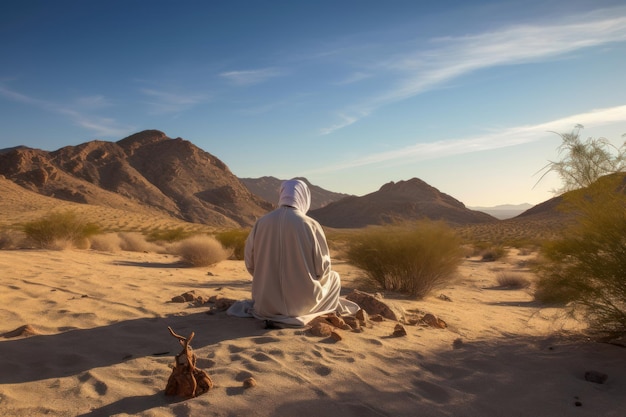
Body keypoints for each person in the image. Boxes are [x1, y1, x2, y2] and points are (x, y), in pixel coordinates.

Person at [228, 179, 358, 326]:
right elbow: (323, 269)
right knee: (334, 277)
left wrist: (266, 279)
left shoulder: (261, 222)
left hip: (265, 305)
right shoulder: (310, 224)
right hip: (301, 307)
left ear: (282, 195)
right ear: (304, 197)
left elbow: (250, 263)